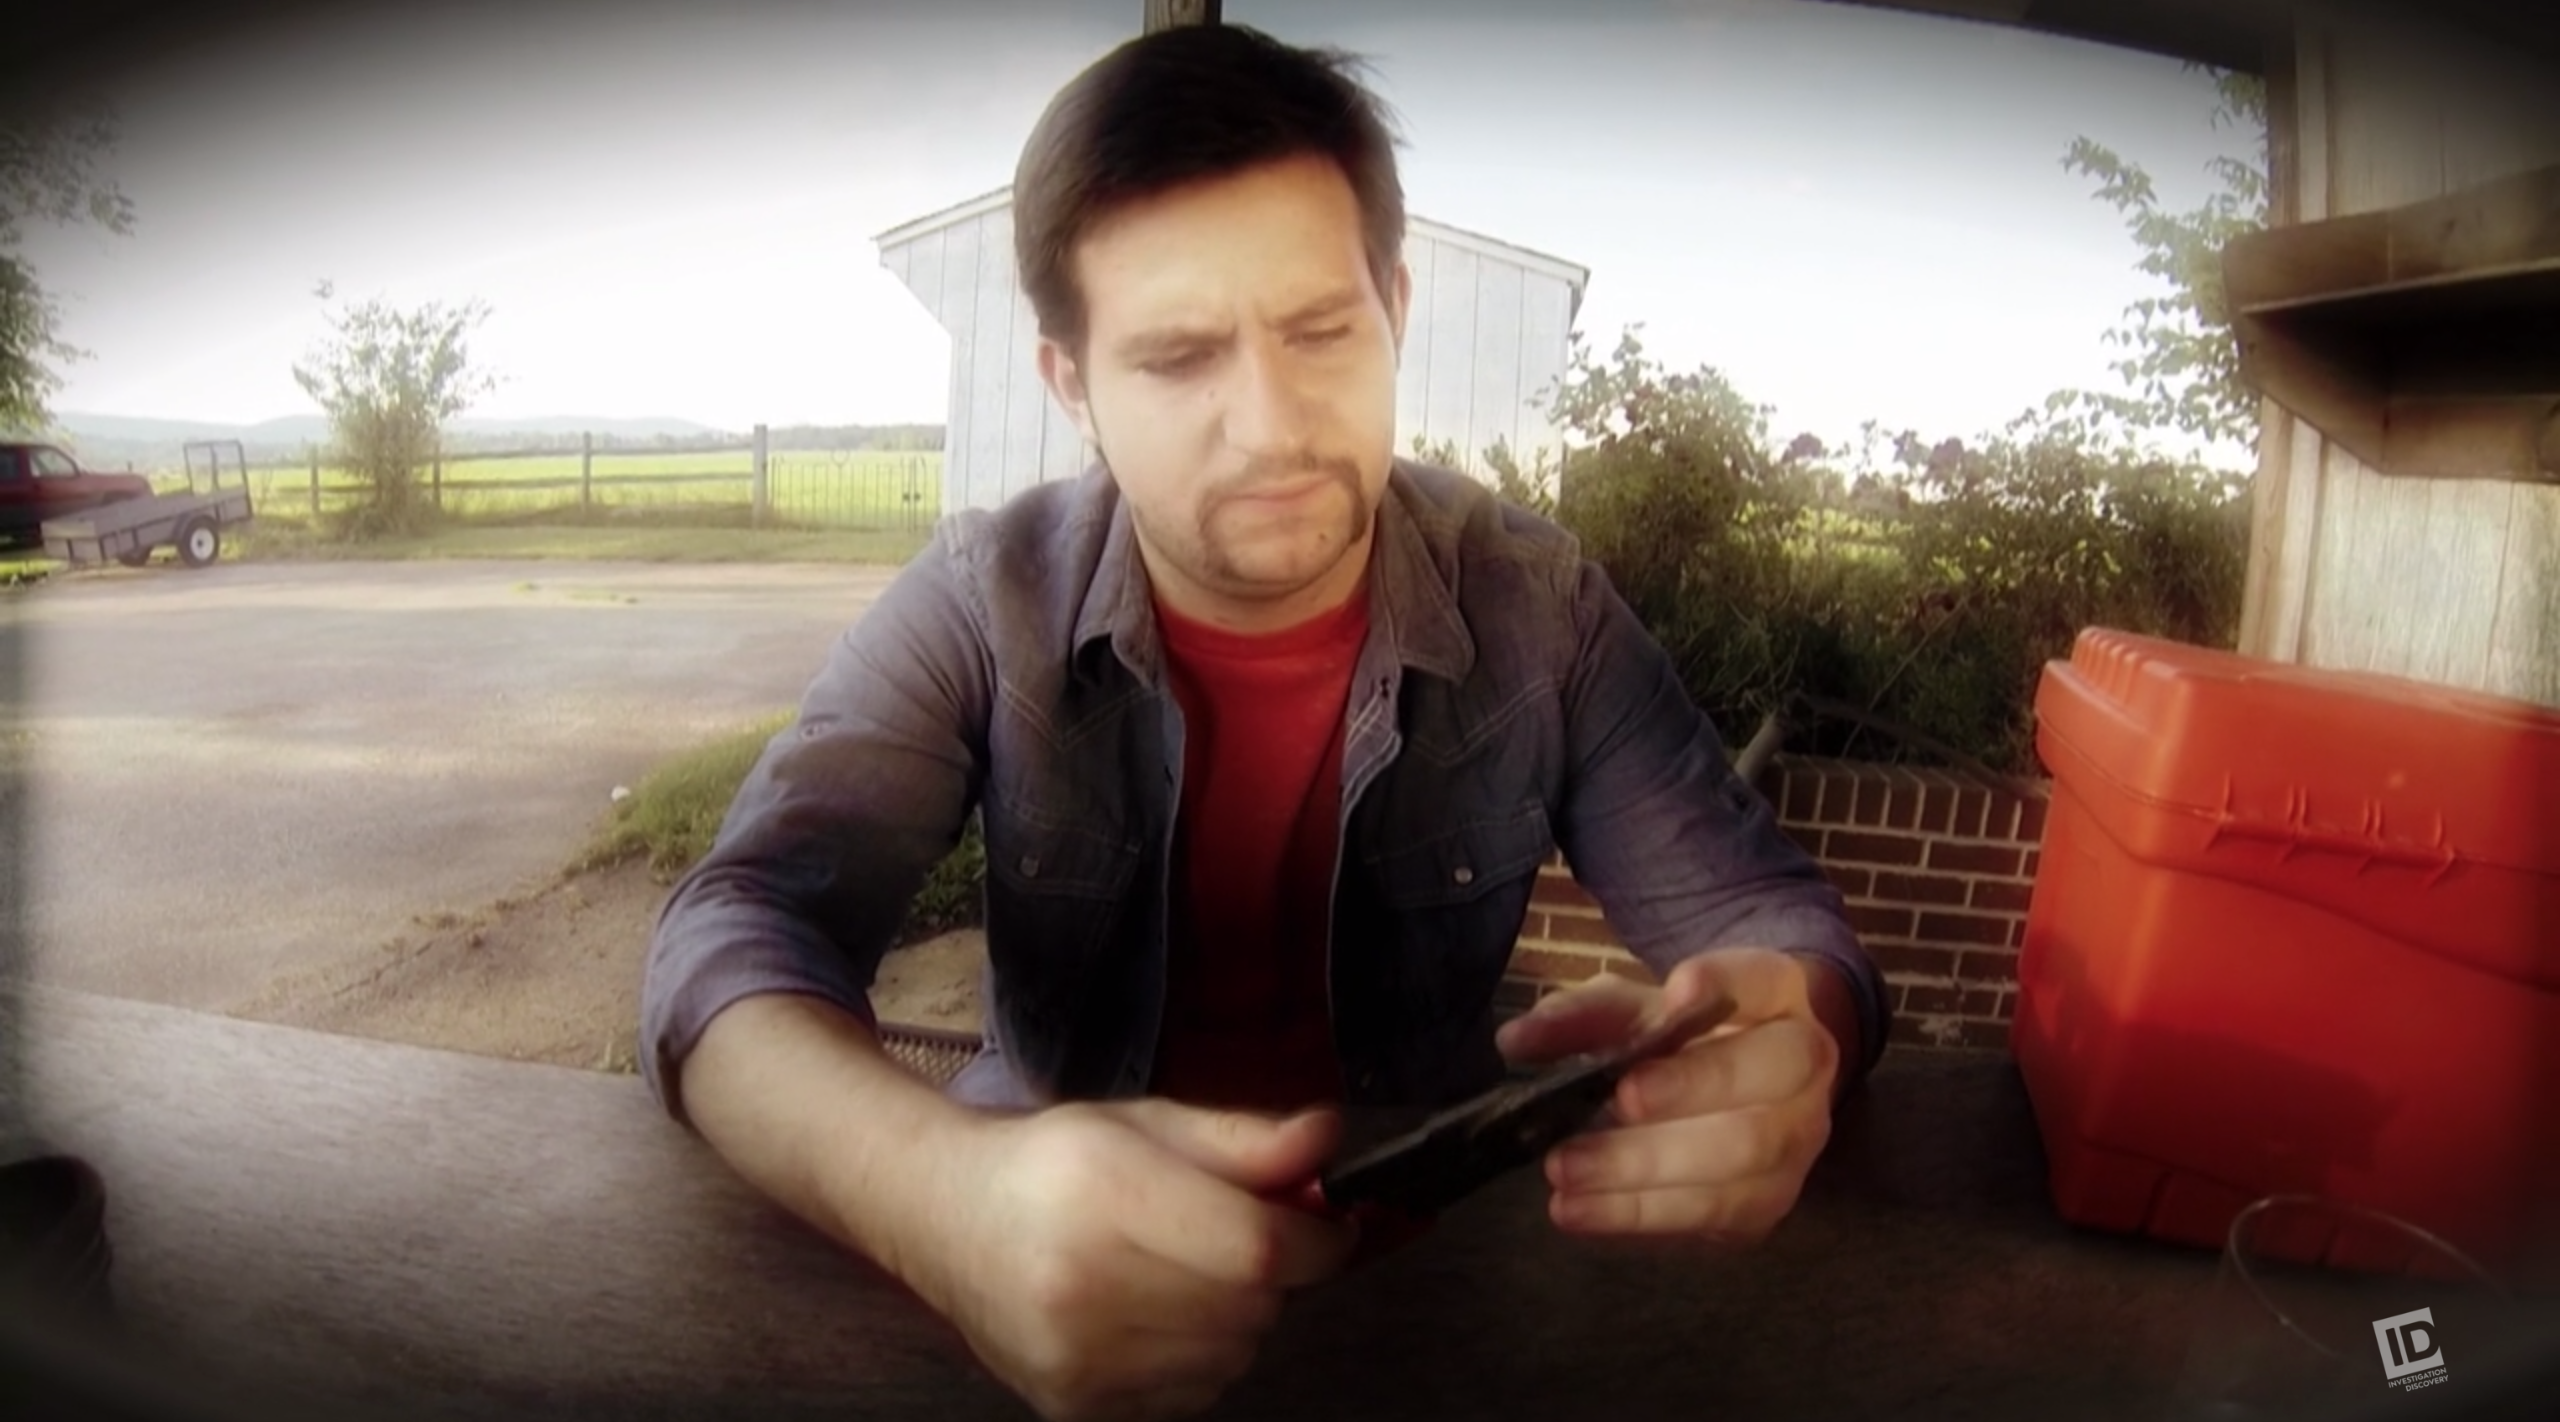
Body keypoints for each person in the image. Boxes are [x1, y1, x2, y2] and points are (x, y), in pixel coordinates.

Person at [640, 22, 1890, 1422]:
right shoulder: (985, 603)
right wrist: (939, 1199)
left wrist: (1792, 1037)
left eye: (1321, 331)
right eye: (1179, 357)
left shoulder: (1541, 609)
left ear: (1395, 308)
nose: (1271, 424)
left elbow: (1780, 928)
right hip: (1030, 1271)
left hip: (1425, 1280)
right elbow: (732, 928)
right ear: (1072, 384)